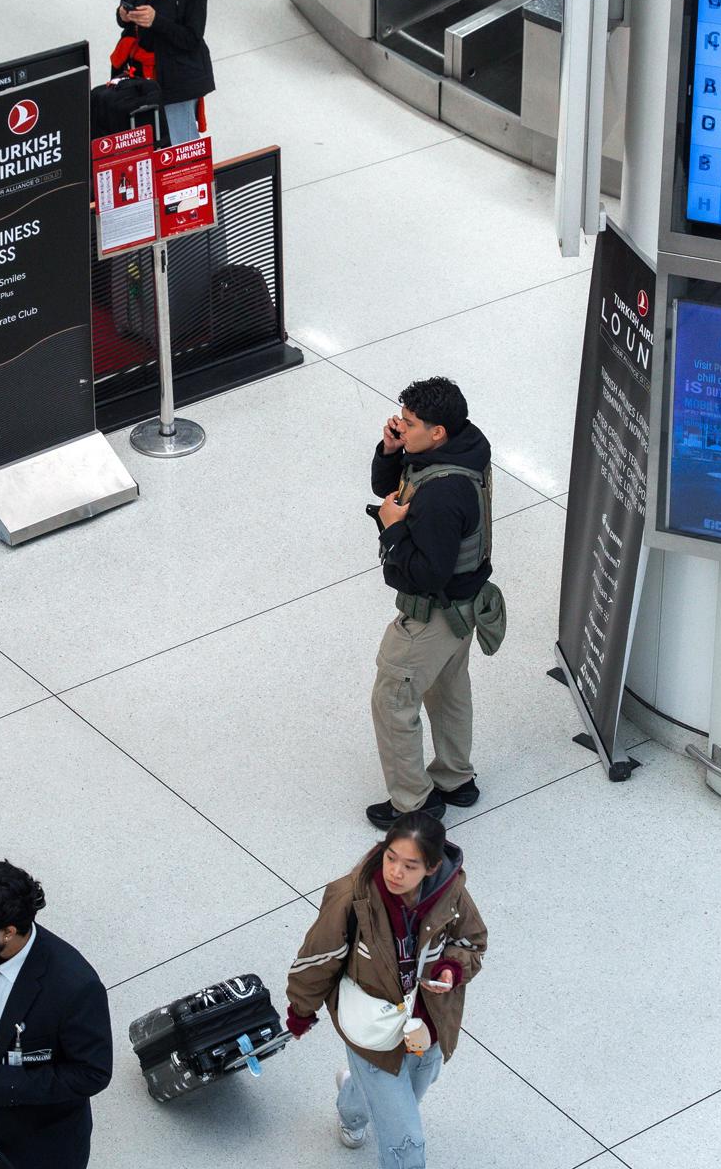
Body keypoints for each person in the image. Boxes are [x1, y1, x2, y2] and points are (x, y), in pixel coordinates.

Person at [283, 811, 487, 1167]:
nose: (395, 872)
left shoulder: (450, 892)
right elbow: (318, 958)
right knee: (406, 1141)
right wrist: (300, 1011)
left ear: (432, 866)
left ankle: (353, 1101)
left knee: (415, 1085)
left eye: (410, 865)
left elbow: (472, 942)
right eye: (391, 858)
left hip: (428, 1024)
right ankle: (365, 1088)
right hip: (373, 1031)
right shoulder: (351, 897)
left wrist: (451, 968)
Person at [365, 376, 495, 829]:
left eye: (410, 422)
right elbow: (391, 487)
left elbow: (427, 572)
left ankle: (413, 804)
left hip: (433, 614)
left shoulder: (443, 494)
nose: (401, 425)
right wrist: (391, 451)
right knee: (449, 689)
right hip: (465, 609)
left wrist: (392, 528)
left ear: (437, 432)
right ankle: (456, 779)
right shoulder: (463, 446)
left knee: (394, 698)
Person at [0, 860, 112, 1168]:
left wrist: (3, 1083)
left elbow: (92, 1073)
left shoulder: (75, 986)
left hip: (36, 1149)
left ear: (8, 932)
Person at [114, 0, 214, 145]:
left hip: (178, 75)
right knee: (147, 138)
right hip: (140, 72)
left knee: (182, 143)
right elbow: (124, 12)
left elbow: (192, 38)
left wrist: (156, 21)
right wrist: (123, 15)